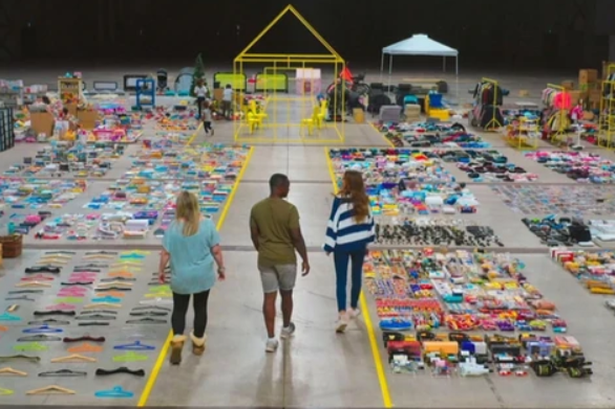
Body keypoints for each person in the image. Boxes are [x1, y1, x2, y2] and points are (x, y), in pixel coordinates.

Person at [159, 191, 226, 365]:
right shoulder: (207, 225)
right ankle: (198, 344)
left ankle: (178, 340)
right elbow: (216, 250)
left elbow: (165, 254)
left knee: (179, 309)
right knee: (200, 307)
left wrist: (161, 271)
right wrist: (221, 268)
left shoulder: (172, 228)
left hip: (180, 276)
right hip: (202, 276)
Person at [250, 173, 310, 353]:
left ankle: (270, 339)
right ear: (279, 187)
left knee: (269, 297)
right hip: (286, 259)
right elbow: (296, 237)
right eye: (287, 186)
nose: (289, 189)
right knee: (287, 294)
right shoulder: (290, 210)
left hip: (266, 259)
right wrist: (305, 258)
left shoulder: (256, 208)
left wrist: (263, 250)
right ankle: (285, 328)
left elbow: (254, 235)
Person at [323, 170, 375, 333]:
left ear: (347, 183)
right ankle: (353, 307)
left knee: (341, 279)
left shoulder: (340, 201)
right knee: (356, 275)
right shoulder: (365, 201)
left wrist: (329, 245)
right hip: (359, 244)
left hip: (342, 244)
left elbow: (333, 223)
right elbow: (371, 222)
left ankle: (342, 314)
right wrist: (368, 241)